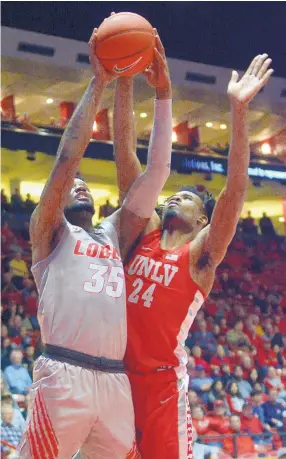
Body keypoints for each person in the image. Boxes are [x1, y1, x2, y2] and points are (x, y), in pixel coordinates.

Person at [18, 29, 172, 459]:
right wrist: (101, 80)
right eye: (74, 186)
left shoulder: (113, 235)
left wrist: (153, 92)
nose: (80, 186)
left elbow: (156, 172)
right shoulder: (48, 232)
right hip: (63, 374)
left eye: (87, 185)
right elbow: (68, 158)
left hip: (114, 380)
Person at [120, 54, 273, 458]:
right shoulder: (144, 234)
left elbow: (235, 192)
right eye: (175, 193)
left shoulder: (200, 255)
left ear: (203, 219)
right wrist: (122, 84)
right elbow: (127, 166)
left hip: (161, 390)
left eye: (186, 198)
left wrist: (238, 111)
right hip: (114, 378)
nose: (174, 197)